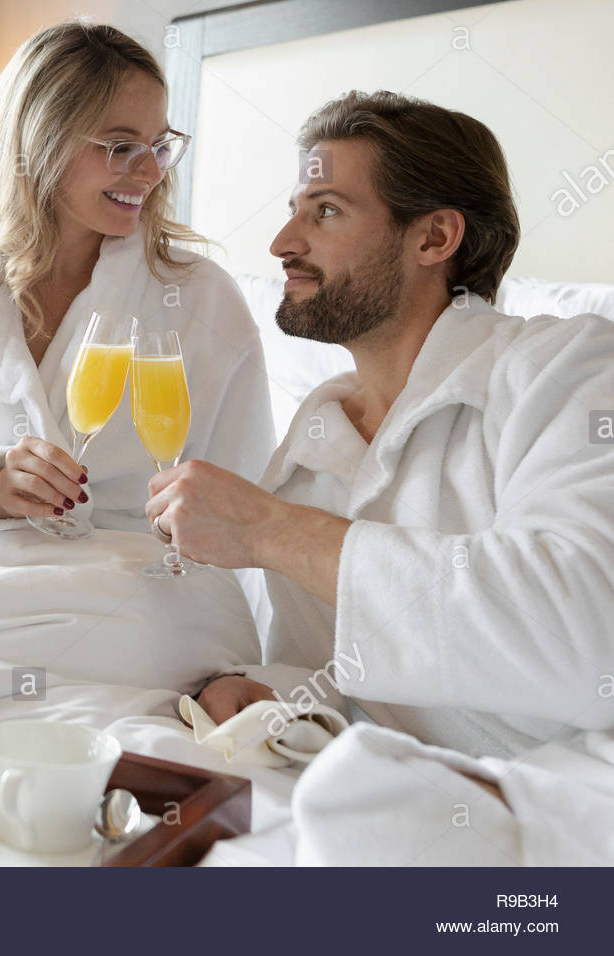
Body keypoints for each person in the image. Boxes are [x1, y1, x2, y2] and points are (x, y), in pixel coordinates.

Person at [147, 90, 614, 757]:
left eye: (326, 211)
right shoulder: (316, 439)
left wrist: (268, 530)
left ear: (433, 237)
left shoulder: (568, 367)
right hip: (395, 799)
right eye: (293, 213)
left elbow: (585, 633)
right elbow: (333, 676)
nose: (283, 244)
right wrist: (256, 690)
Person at [0, 20, 274, 534]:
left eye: (159, 145)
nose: (152, 173)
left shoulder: (202, 297)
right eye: (119, 146)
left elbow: (248, 497)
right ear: (41, 143)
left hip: (136, 582)